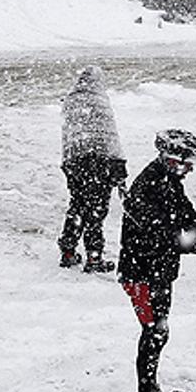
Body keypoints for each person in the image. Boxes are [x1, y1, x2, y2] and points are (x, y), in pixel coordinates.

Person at [117, 129, 196, 392]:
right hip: (140, 274)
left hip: (160, 272)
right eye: (187, 163)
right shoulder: (146, 187)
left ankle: (149, 388)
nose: (190, 169)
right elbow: (163, 233)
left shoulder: (171, 181)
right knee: (153, 331)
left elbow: (188, 216)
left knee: (159, 331)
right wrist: (193, 246)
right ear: (171, 158)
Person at [59, 65, 127, 273]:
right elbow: (109, 137)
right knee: (96, 211)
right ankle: (93, 257)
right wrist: (119, 169)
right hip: (100, 162)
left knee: (77, 206)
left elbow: (69, 135)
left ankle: (68, 251)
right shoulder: (99, 100)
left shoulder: (71, 101)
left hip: (74, 162)